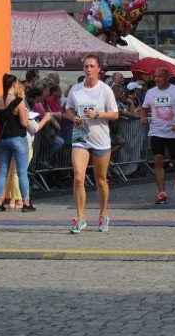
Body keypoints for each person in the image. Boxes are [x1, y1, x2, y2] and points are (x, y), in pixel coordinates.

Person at [64, 54, 119, 233]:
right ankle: (80, 217)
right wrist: (73, 117)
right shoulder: (76, 90)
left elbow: (115, 114)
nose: (88, 69)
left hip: (100, 139)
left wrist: (97, 115)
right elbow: (68, 109)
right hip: (80, 137)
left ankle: (103, 215)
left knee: (100, 180)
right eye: (86, 66)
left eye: (92, 66)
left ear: (98, 69)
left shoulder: (105, 90)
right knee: (78, 177)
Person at [141, 67, 175, 204]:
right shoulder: (151, 92)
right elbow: (144, 108)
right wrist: (143, 117)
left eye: (160, 76)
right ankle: (161, 193)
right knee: (158, 160)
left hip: (174, 132)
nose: (157, 79)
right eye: (155, 76)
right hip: (156, 132)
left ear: (167, 77)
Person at [0, 73, 35, 212]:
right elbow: (24, 123)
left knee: (2, 171)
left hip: (3, 139)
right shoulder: (18, 101)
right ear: (13, 84)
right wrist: (27, 115)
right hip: (18, 138)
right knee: (22, 172)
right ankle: (26, 203)